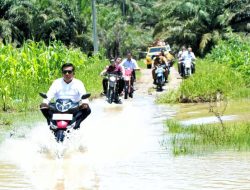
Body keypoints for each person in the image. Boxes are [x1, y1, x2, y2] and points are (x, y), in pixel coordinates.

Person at [40, 63, 91, 130]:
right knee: (43, 107)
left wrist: (85, 103)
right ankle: (51, 123)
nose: (67, 74)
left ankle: (76, 124)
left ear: (73, 73)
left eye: (69, 72)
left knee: (87, 110)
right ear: (62, 73)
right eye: (65, 72)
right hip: (58, 107)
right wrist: (45, 102)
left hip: (73, 107)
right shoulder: (56, 82)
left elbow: (83, 95)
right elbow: (49, 94)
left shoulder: (78, 83)